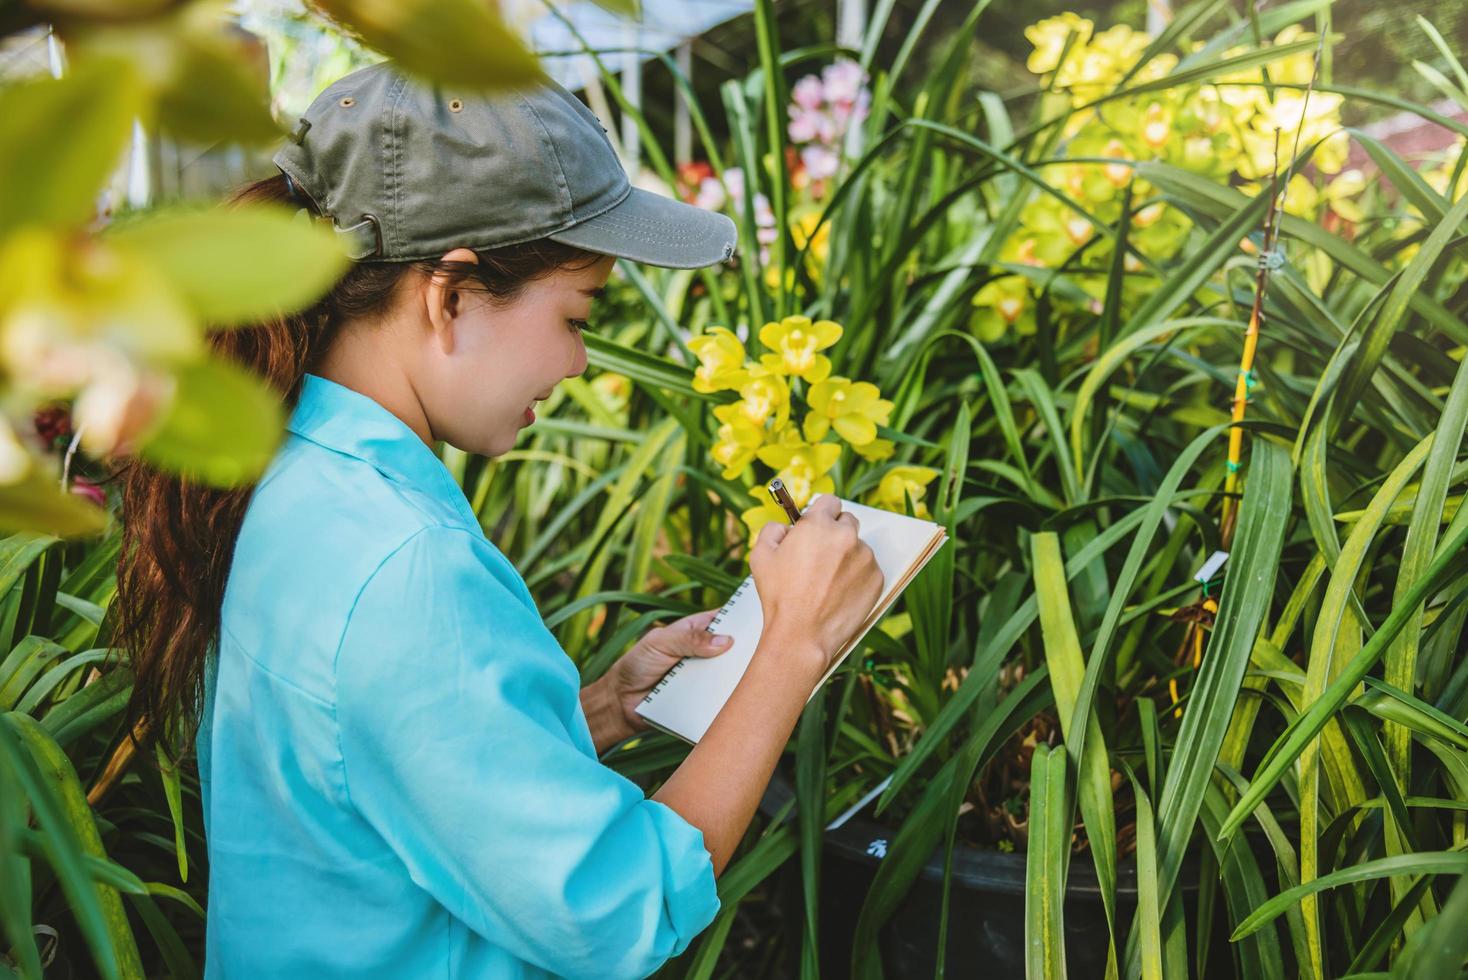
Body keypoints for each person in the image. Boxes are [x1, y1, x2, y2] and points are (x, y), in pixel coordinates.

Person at [113, 61, 883, 979]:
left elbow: (370, 772)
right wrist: (793, 646)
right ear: (448, 294)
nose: (580, 361)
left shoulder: (294, 476)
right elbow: (617, 909)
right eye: (577, 314)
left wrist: (594, 711)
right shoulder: (405, 567)